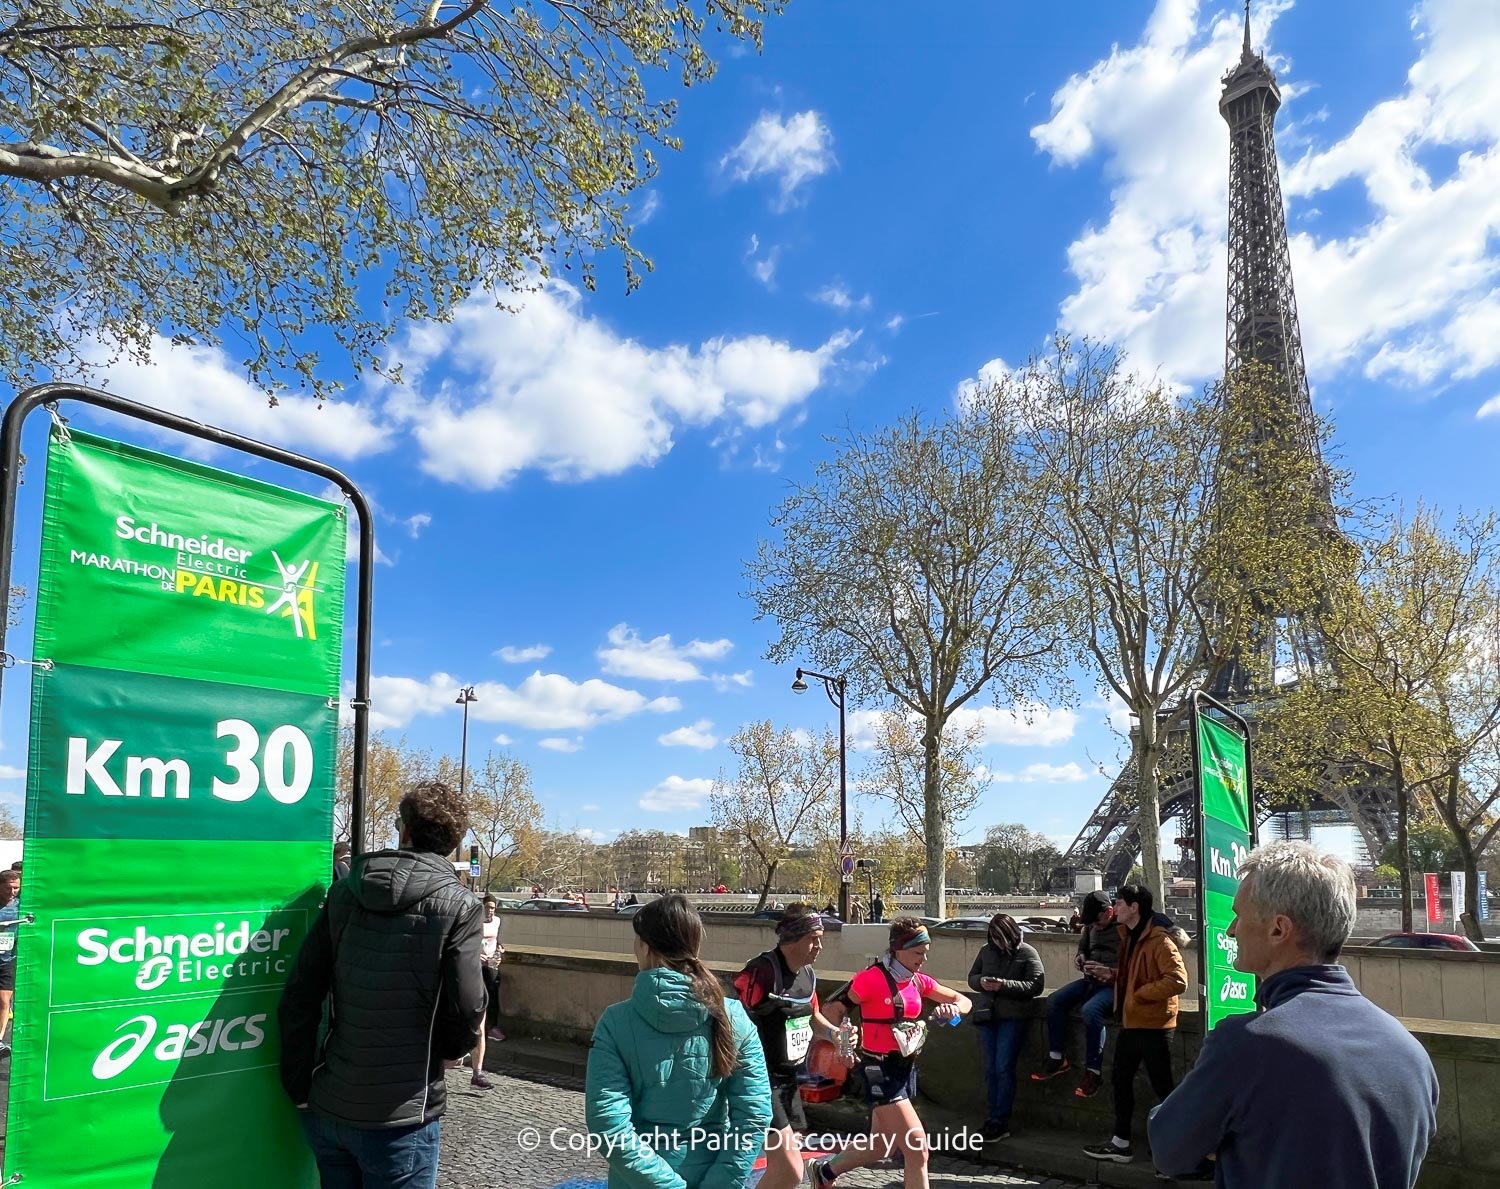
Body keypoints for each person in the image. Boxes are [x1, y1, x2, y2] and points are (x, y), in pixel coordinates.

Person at [1149, 841, 1438, 1187]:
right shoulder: (1411, 1052)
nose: (1230, 930)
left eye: (1239, 915)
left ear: (1278, 929)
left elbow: (1168, 1150)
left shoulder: (1248, 1043)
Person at [279, 779, 486, 1188]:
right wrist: (450, 1051)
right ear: (453, 843)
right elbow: (467, 1004)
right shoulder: (460, 904)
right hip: (403, 1113)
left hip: (332, 1101)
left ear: (403, 830)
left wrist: (299, 1086)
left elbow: (301, 994)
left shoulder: (344, 893)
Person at [586, 894, 771, 1189]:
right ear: (695, 947)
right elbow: (753, 1116)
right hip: (712, 1174)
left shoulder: (615, 1023)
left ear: (644, 947)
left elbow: (609, 1123)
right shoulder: (734, 1017)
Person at [807, 917, 972, 1189]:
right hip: (878, 1070)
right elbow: (832, 1009)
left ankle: (823, 1172)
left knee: (881, 1145)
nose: (923, 959)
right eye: (918, 953)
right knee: (917, 1147)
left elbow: (963, 1000)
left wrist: (952, 1010)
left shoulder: (918, 982)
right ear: (899, 949)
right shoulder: (870, 978)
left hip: (904, 1068)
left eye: (926, 952)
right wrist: (842, 1043)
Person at [733, 902, 852, 1189]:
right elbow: (730, 1018)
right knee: (790, 1169)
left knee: (786, 1168)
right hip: (758, 1078)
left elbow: (813, 1016)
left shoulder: (807, 974)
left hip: (789, 1080)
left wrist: (836, 1034)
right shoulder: (761, 972)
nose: (819, 946)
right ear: (792, 939)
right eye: (813, 939)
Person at [1082, 884, 1187, 1165]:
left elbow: (1178, 980)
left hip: (1154, 1025)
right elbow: (1136, 974)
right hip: (1133, 1021)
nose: (1115, 907)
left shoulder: (1160, 941)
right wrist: (1111, 974)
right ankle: (1120, 1142)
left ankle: (1173, 1148)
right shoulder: (1130, 936)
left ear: (1134, 907)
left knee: (1162, 1086)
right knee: (1120, 1080)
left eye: (1119, 902)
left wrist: (1139, 993)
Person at [1032, 890, 1119, 1099]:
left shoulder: (1124, 927)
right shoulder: (1091, 926)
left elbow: (1136, 963)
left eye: (1098, 922)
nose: (1095, 926)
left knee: (1091, 1010)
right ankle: (1057, 1057)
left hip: (1114, 985)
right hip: (1090, 980)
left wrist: (1110, 972)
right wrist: (1080, 957)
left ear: (1109, 912)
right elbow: (1083, 946)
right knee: (1055, 1001)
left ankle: (1093, 1071)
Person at [967, 913, 1044, 1140]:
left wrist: (1003, 986)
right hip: (988, 1015)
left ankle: (1000, 1120)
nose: (998, 943)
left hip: (1012, 1016)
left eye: (1002, 938)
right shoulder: (986, 951)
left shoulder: (1027, 952)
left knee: (1003, 1067)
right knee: (991, 1069)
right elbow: (972, 977)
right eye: (994, 938)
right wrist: (981, 982)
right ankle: (992, 1117)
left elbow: (1036, 985)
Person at [479, 894, 505, 1046]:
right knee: (478, 996)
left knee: (493, 993)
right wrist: (476, 954)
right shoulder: (476, 921)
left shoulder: (497, 921)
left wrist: (500, 947)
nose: (490, 911)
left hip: (492, 961)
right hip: (478, 963)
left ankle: (492, 1027)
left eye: (493, 908)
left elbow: (495, 938)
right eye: (488, 907)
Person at [0, 868, 20, 1053]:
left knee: (4, 1000)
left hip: (8, 959)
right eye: (8, 888)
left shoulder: (21, 907)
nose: (12, 892)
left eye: (16, 888)